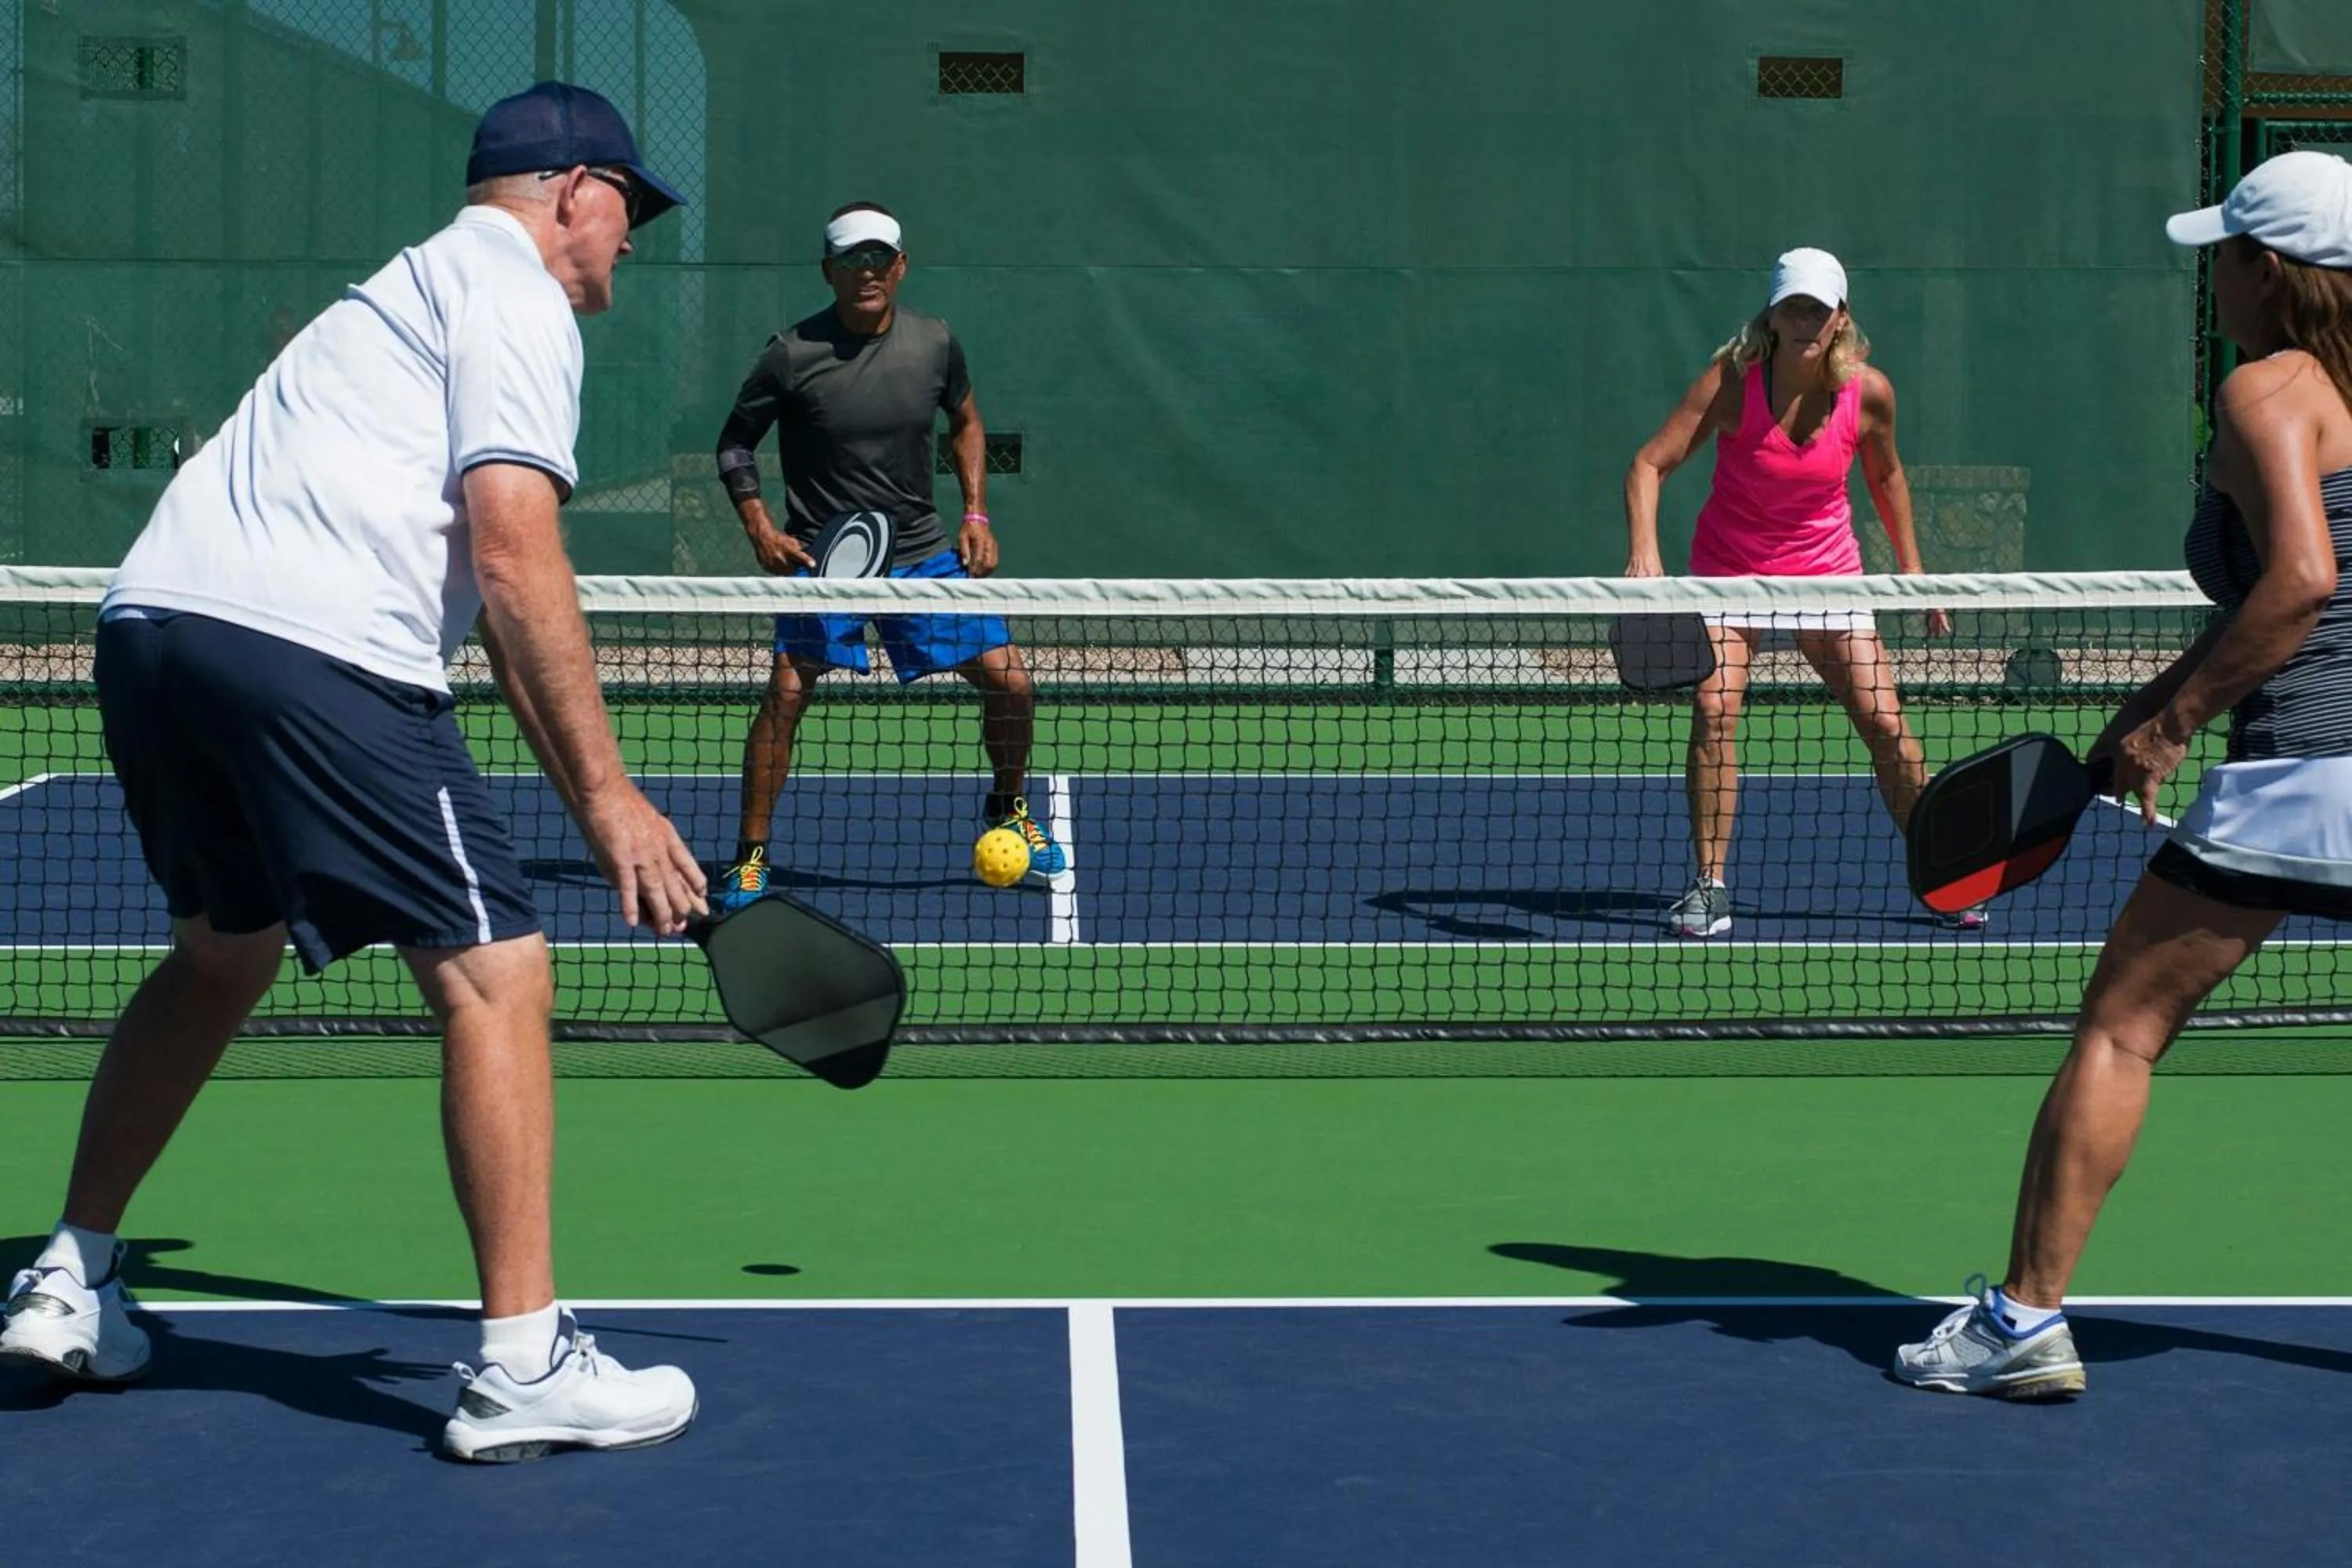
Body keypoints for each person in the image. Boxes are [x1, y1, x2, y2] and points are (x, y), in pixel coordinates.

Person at [0, 82, 710, 1463]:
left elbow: (493, 608)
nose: (634, 240)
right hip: (314, 649)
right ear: (569, 191)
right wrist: (615, 797)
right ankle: (522, 1365)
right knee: (495, 970)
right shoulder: (516, 295)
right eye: (629, 205)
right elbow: (515, 558)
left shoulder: (396, 294)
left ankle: (67, 1279)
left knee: (221, 955)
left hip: (154, 633)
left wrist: (592, 796)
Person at [1893, 150, 2352, 1399]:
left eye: (2226, 256)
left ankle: (2019, 1325)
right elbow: (2279, 593)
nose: (2217, 278)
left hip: (2310, 777)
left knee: (2122, 1030)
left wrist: (2181, 723)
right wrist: (2148, 711)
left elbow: (2305, 582)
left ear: (2269, 270)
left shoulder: (2270, 390)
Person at [710, 202, 1068, 909]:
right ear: (829, 271)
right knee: (784, 698)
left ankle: (1009, 806)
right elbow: (734, 444)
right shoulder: (791, 354)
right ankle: (750, 860)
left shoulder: (934, 343)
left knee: (1012, 685)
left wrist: (974, 512)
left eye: (879, 258)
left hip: (921, 554)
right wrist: (758, 525)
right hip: (826, 561)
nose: (866, 270)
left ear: (900, 266)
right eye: (851, 259)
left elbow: (965, 422)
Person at [1624, 248, 1973, 938]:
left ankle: (1946, 873)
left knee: (1887, 727)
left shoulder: (1869, 392)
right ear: (1774, 316)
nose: (1807, 320)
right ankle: (1709, 886)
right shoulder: (1732, 382)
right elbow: (1648, 465)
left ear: (1841, 318)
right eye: (1794, 307)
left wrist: (1915, 571)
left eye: (1820, 308)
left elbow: (1888, 478)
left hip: (1827, 576)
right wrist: (1645, 555)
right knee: (1714, 711)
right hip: (1729, 574)